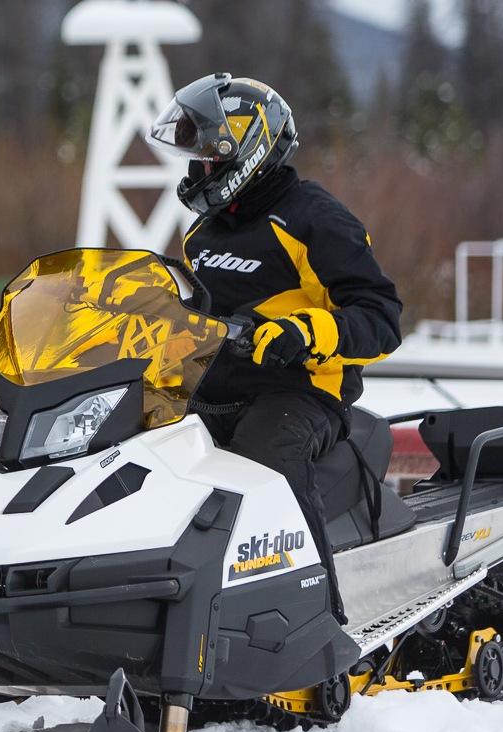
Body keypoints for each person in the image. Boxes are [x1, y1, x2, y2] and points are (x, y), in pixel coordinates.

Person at [145, 73, 403, 625]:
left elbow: (381, 317)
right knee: (140, 454)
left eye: (212, 159)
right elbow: (198, 314)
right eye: (199, 160)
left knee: (265, 455)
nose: (202, 171)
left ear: (251, 150)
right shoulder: (203, 233)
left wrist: (303, 334)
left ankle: (318, 623)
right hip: (215, 389)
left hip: (303, 391)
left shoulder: (316, 219)